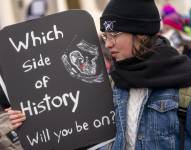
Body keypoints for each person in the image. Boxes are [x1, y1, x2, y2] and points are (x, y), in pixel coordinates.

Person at [99, 0, 191, 149]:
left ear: (141, 34)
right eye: (105, 36)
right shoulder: (113, 81)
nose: (108, 44)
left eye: (114, 35)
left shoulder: (184, 83)